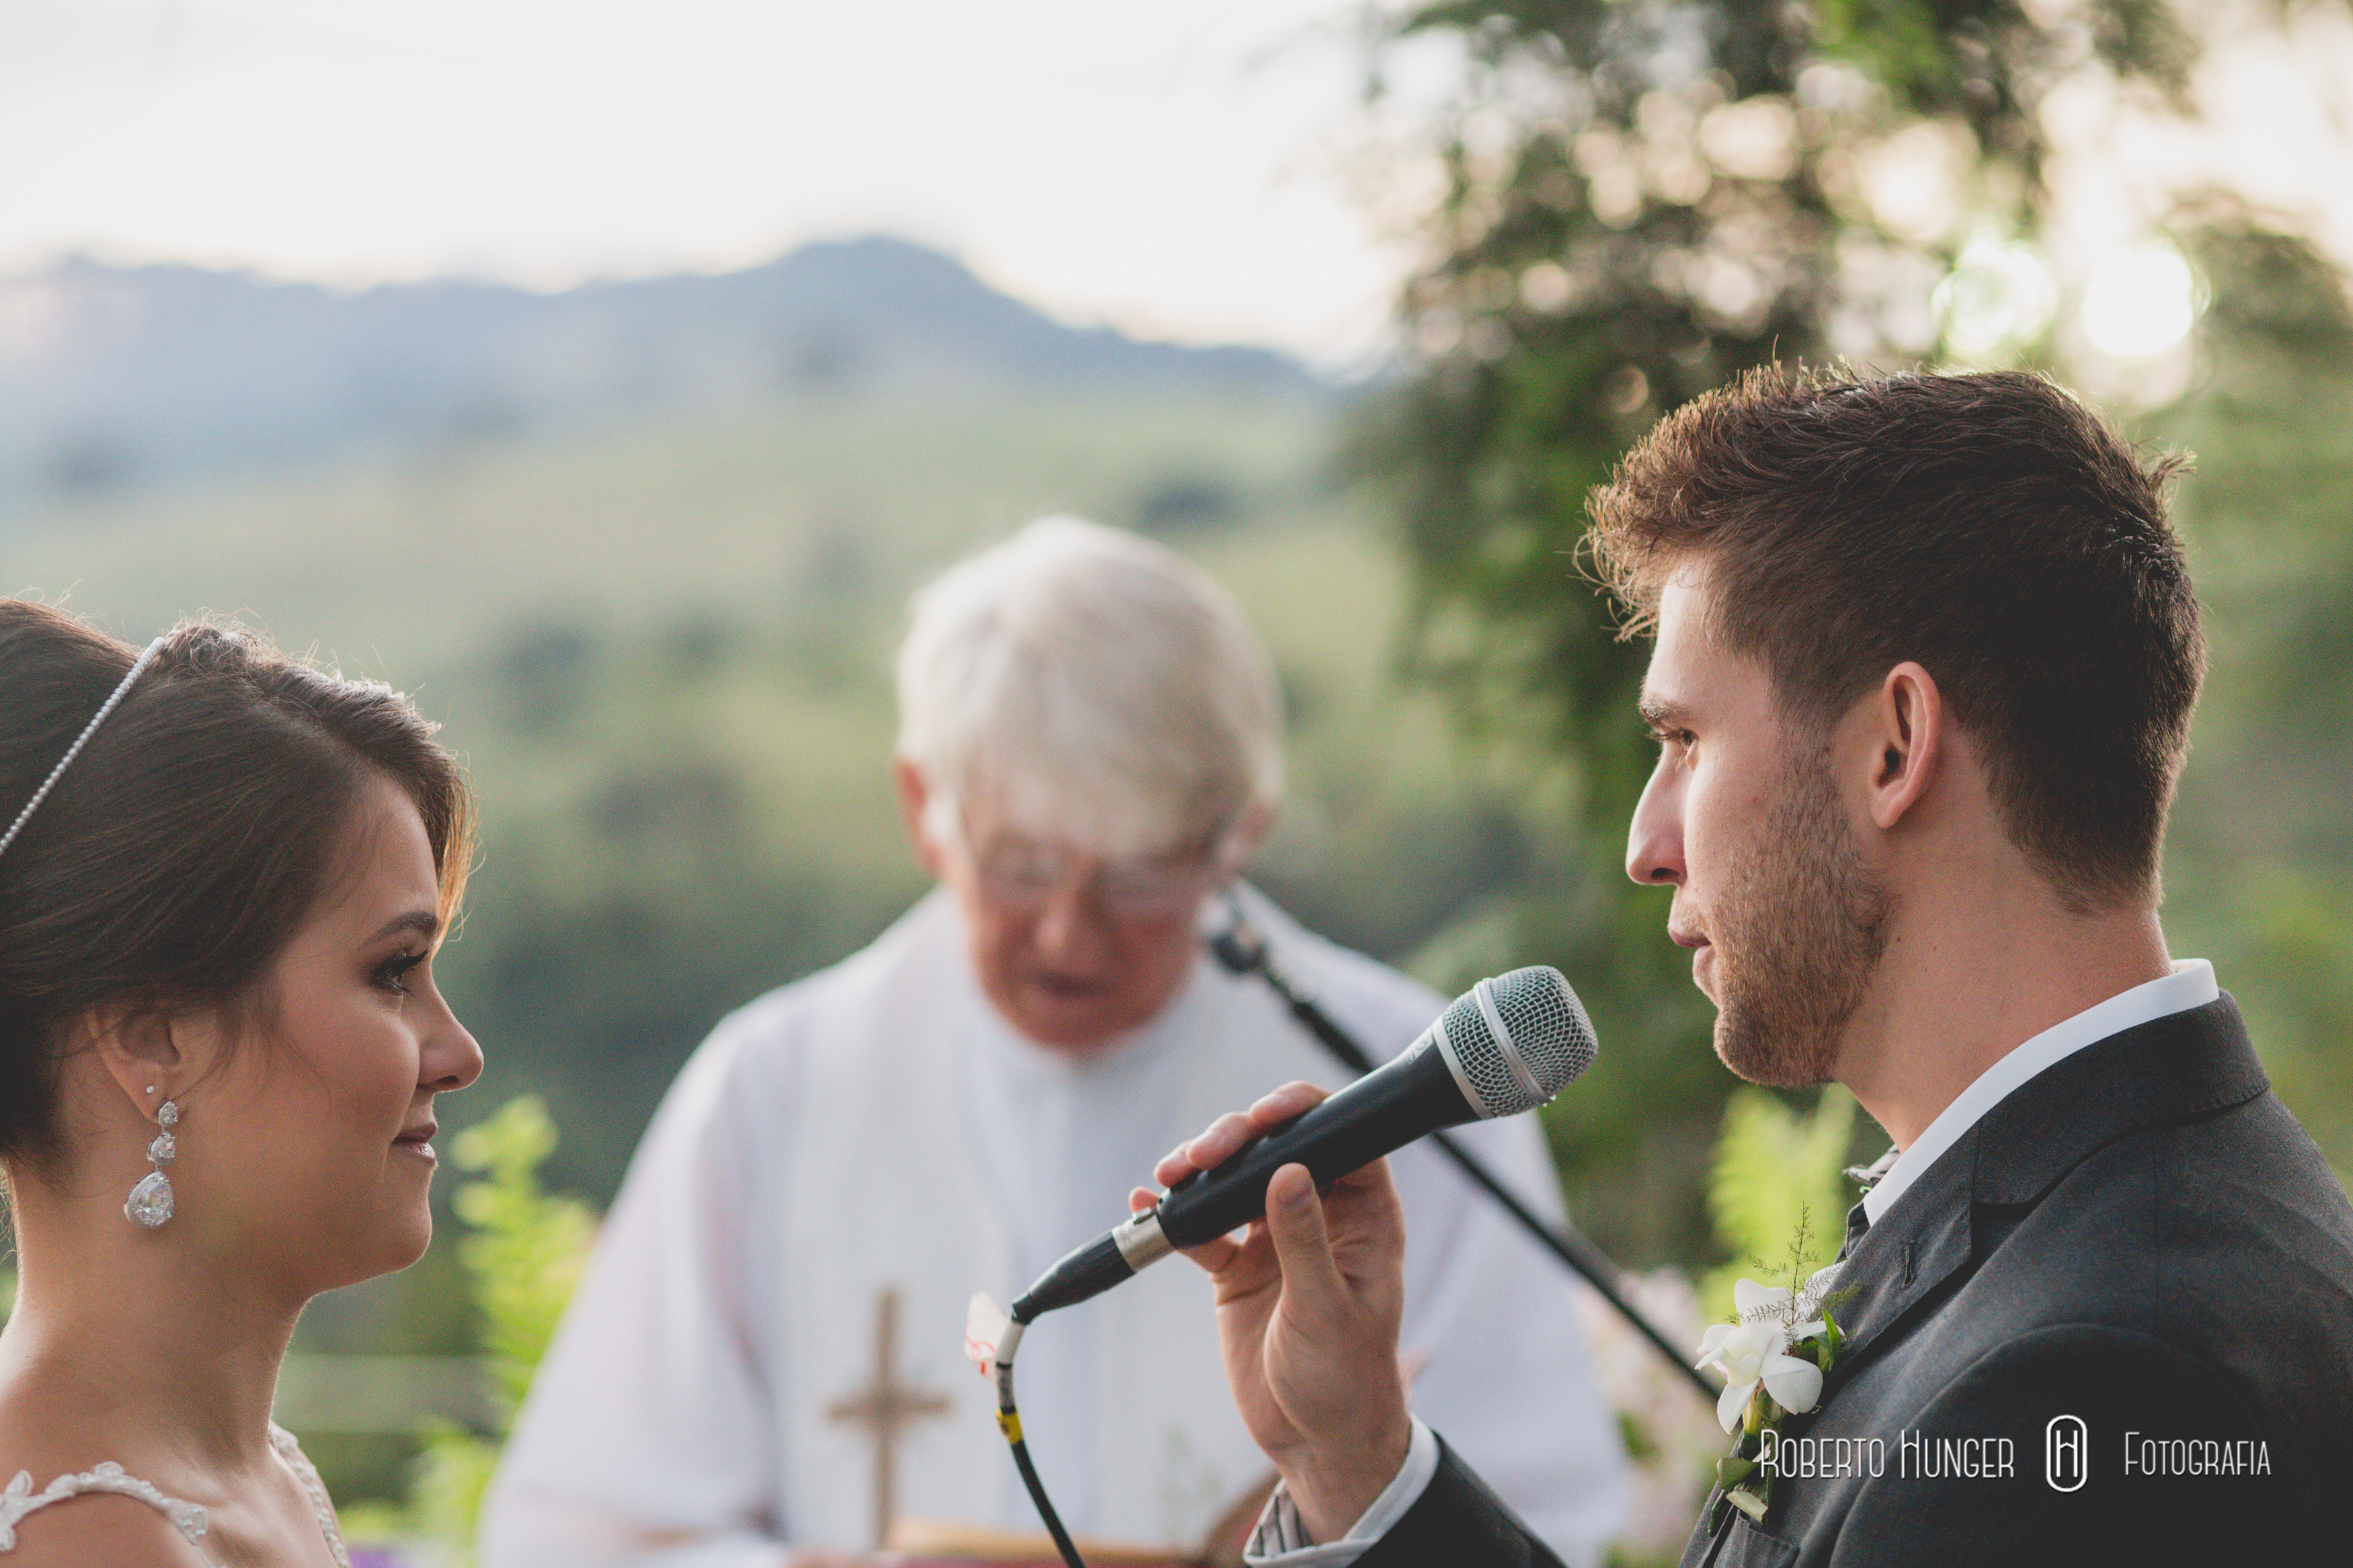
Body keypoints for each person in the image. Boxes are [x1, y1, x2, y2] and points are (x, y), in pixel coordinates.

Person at [1148, 368, 2353, 1567]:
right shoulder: (2103, 1219)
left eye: (1684, 740)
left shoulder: (2086, 1380)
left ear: (1893, 747)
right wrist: (1351, 1458)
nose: (1645, 844)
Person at [480, 517, 1626, 1567]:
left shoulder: (1400, 1082)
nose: (1071, 934)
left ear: (1239, 834)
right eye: (1021, 866)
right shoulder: (772, 1087)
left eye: (1138, 877)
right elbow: (584, 1534)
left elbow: (1546, 1522)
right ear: (923, 803)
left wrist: (1339, 1490)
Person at [0, 606, 485, 1566]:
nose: (460, 1051)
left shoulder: (262, 1478)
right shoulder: (84, 1541)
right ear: (152, 1039)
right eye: (393, 971)